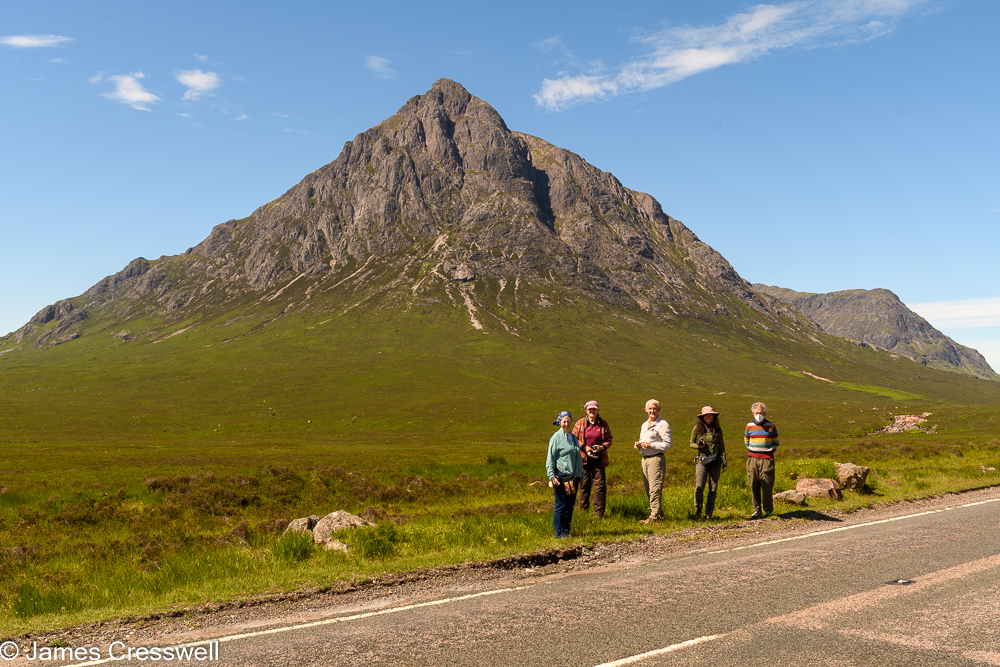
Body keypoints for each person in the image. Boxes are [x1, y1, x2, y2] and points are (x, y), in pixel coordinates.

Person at [547, 410, 585, 538]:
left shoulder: (573, 437)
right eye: (564, 421)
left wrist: (581, 475)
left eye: (569, 421)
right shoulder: (556, 438)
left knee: (569, 505)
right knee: (561, 505)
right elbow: (550, 458)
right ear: (560, 422)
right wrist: (551, 476)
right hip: (561, 477)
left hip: (573, 478)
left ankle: (566, 531)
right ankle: (559, 533)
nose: (567, 423)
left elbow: (578, 457)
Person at [633, 399, 672, 524]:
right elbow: (643, 440)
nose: (652, 411)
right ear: (646, 410)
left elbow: (668, 444)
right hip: (645, 459)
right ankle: (659, 515)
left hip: (656, 458)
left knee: (654, 489)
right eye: (650, 409)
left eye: (654, 408)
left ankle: (654, 518)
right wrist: (639, 445)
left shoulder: (663, 424)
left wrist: (650, 445)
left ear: (659, 409)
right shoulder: (644, 425)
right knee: (648, 489)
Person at [573, 400, 613, 518]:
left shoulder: (603, 424)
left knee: (599, 486)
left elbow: (609, 439)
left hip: (599, 459)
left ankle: (599, 513)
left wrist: (602, 447)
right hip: (583, 459)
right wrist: (584, 447)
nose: (592, 411)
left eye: (594, 409)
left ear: (598, 410)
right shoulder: (580, 423)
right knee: (584, 485)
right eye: (590, 409)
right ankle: (583, 510)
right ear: (586, 410)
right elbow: (573, 439)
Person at [689, 406, 727, 520]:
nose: (709, 417)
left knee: (713, 488)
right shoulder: (697, 429)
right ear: (703, 417)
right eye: (706, 415)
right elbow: (691, 443)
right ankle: (698, 511)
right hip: (701, 460)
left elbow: (722, 447)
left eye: (711, 415)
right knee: (699, 486)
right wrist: (699, 446)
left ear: (714, 417)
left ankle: (709, 514)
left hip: (715, 461)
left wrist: (724, 462)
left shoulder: (718, 429)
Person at [744, 401, 779, 519]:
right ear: (753, 413)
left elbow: (776, 442)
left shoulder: (771, 426)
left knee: (767, 485)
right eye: (756, 412)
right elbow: (746, 441)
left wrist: (768, 451)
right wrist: (753, 450)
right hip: (752, 459)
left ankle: (768, 510)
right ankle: (756, 510)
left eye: (761, 412)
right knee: (754, 484)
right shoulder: (749, 426)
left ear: (765, 413)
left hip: (767, 459)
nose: (758, 414)